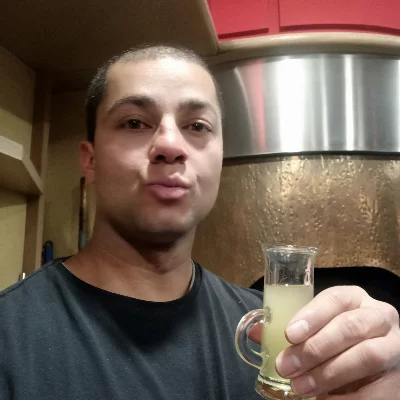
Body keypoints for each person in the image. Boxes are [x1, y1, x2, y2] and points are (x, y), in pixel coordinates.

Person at [0, 45, 399, 400]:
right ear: (90, 161)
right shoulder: (10, 335)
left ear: (219, 159)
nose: (170, 145)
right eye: (135, 123)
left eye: (196, 126)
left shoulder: (278, 342)